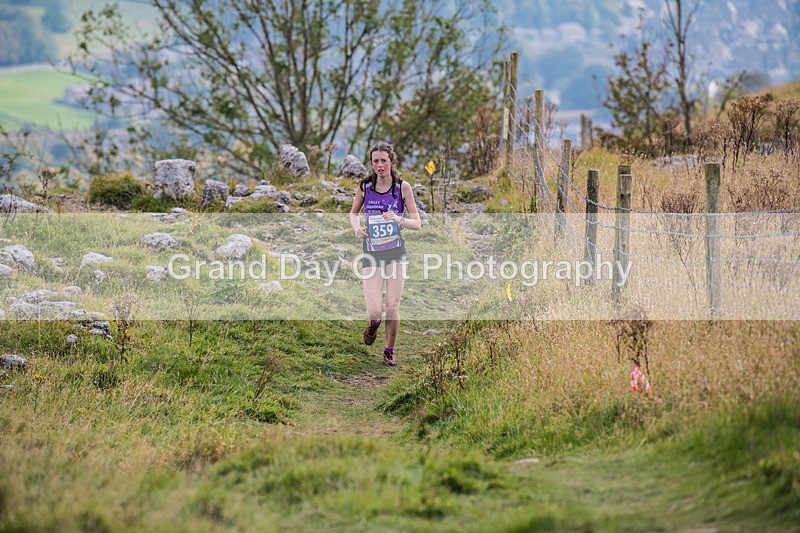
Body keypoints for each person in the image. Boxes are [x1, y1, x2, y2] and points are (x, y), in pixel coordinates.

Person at [349, 141, 421, 366]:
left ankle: (389, 350)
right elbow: (353, 213)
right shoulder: (365, 187)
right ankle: (373, 326)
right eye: (375, 161)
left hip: (396, 253)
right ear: (371, 164)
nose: (380, 165)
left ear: (392, 162)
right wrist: (357, 228)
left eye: (383, 161)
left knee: (392, 306)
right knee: (374, 311)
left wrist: (399, 220)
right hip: (371, 253)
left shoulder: (402, 188)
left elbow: (417, 223)